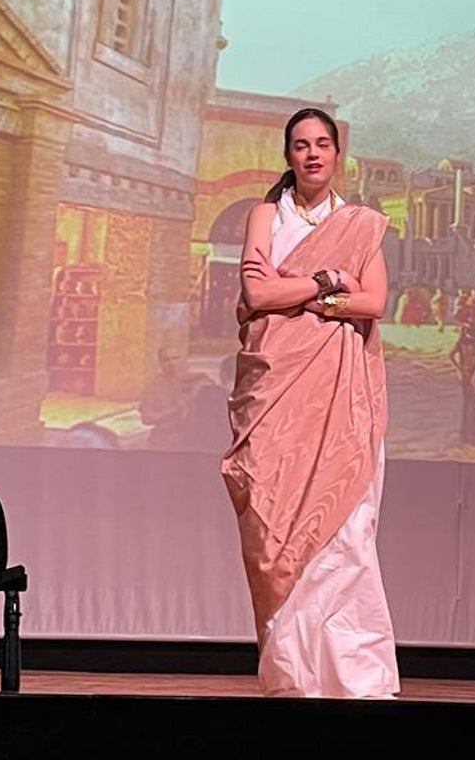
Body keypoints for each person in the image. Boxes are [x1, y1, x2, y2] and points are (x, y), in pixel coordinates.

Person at [220, 107, 399, 698]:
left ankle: (354, 678)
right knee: (273, 527)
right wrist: (325, 282)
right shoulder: (266, 214)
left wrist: (315, 303)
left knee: (344, 533)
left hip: (340, 401)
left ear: (338, 153)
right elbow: (256, 291)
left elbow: (374, 303)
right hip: (275, 391)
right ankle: (293, 675)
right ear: (289, 155)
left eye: (323, 144)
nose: (313, 154)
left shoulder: (361, 223)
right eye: (301, 145)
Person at [138, 346, 212, 450]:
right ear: (160, 363)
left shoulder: (200, 380)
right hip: (166, 440)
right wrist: (175, 409)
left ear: (183, 359)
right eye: (166, 360)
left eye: (175, 358)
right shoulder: (154, 387)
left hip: (196, 440)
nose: (172, 363)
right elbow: (146, 419)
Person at [449, 320, 475, 445]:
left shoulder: (461, 342)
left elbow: (450, 355)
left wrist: (458, 370)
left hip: (465, 375)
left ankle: (464, 436)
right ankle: (472, 437)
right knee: (474, 408)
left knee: (466, 406)